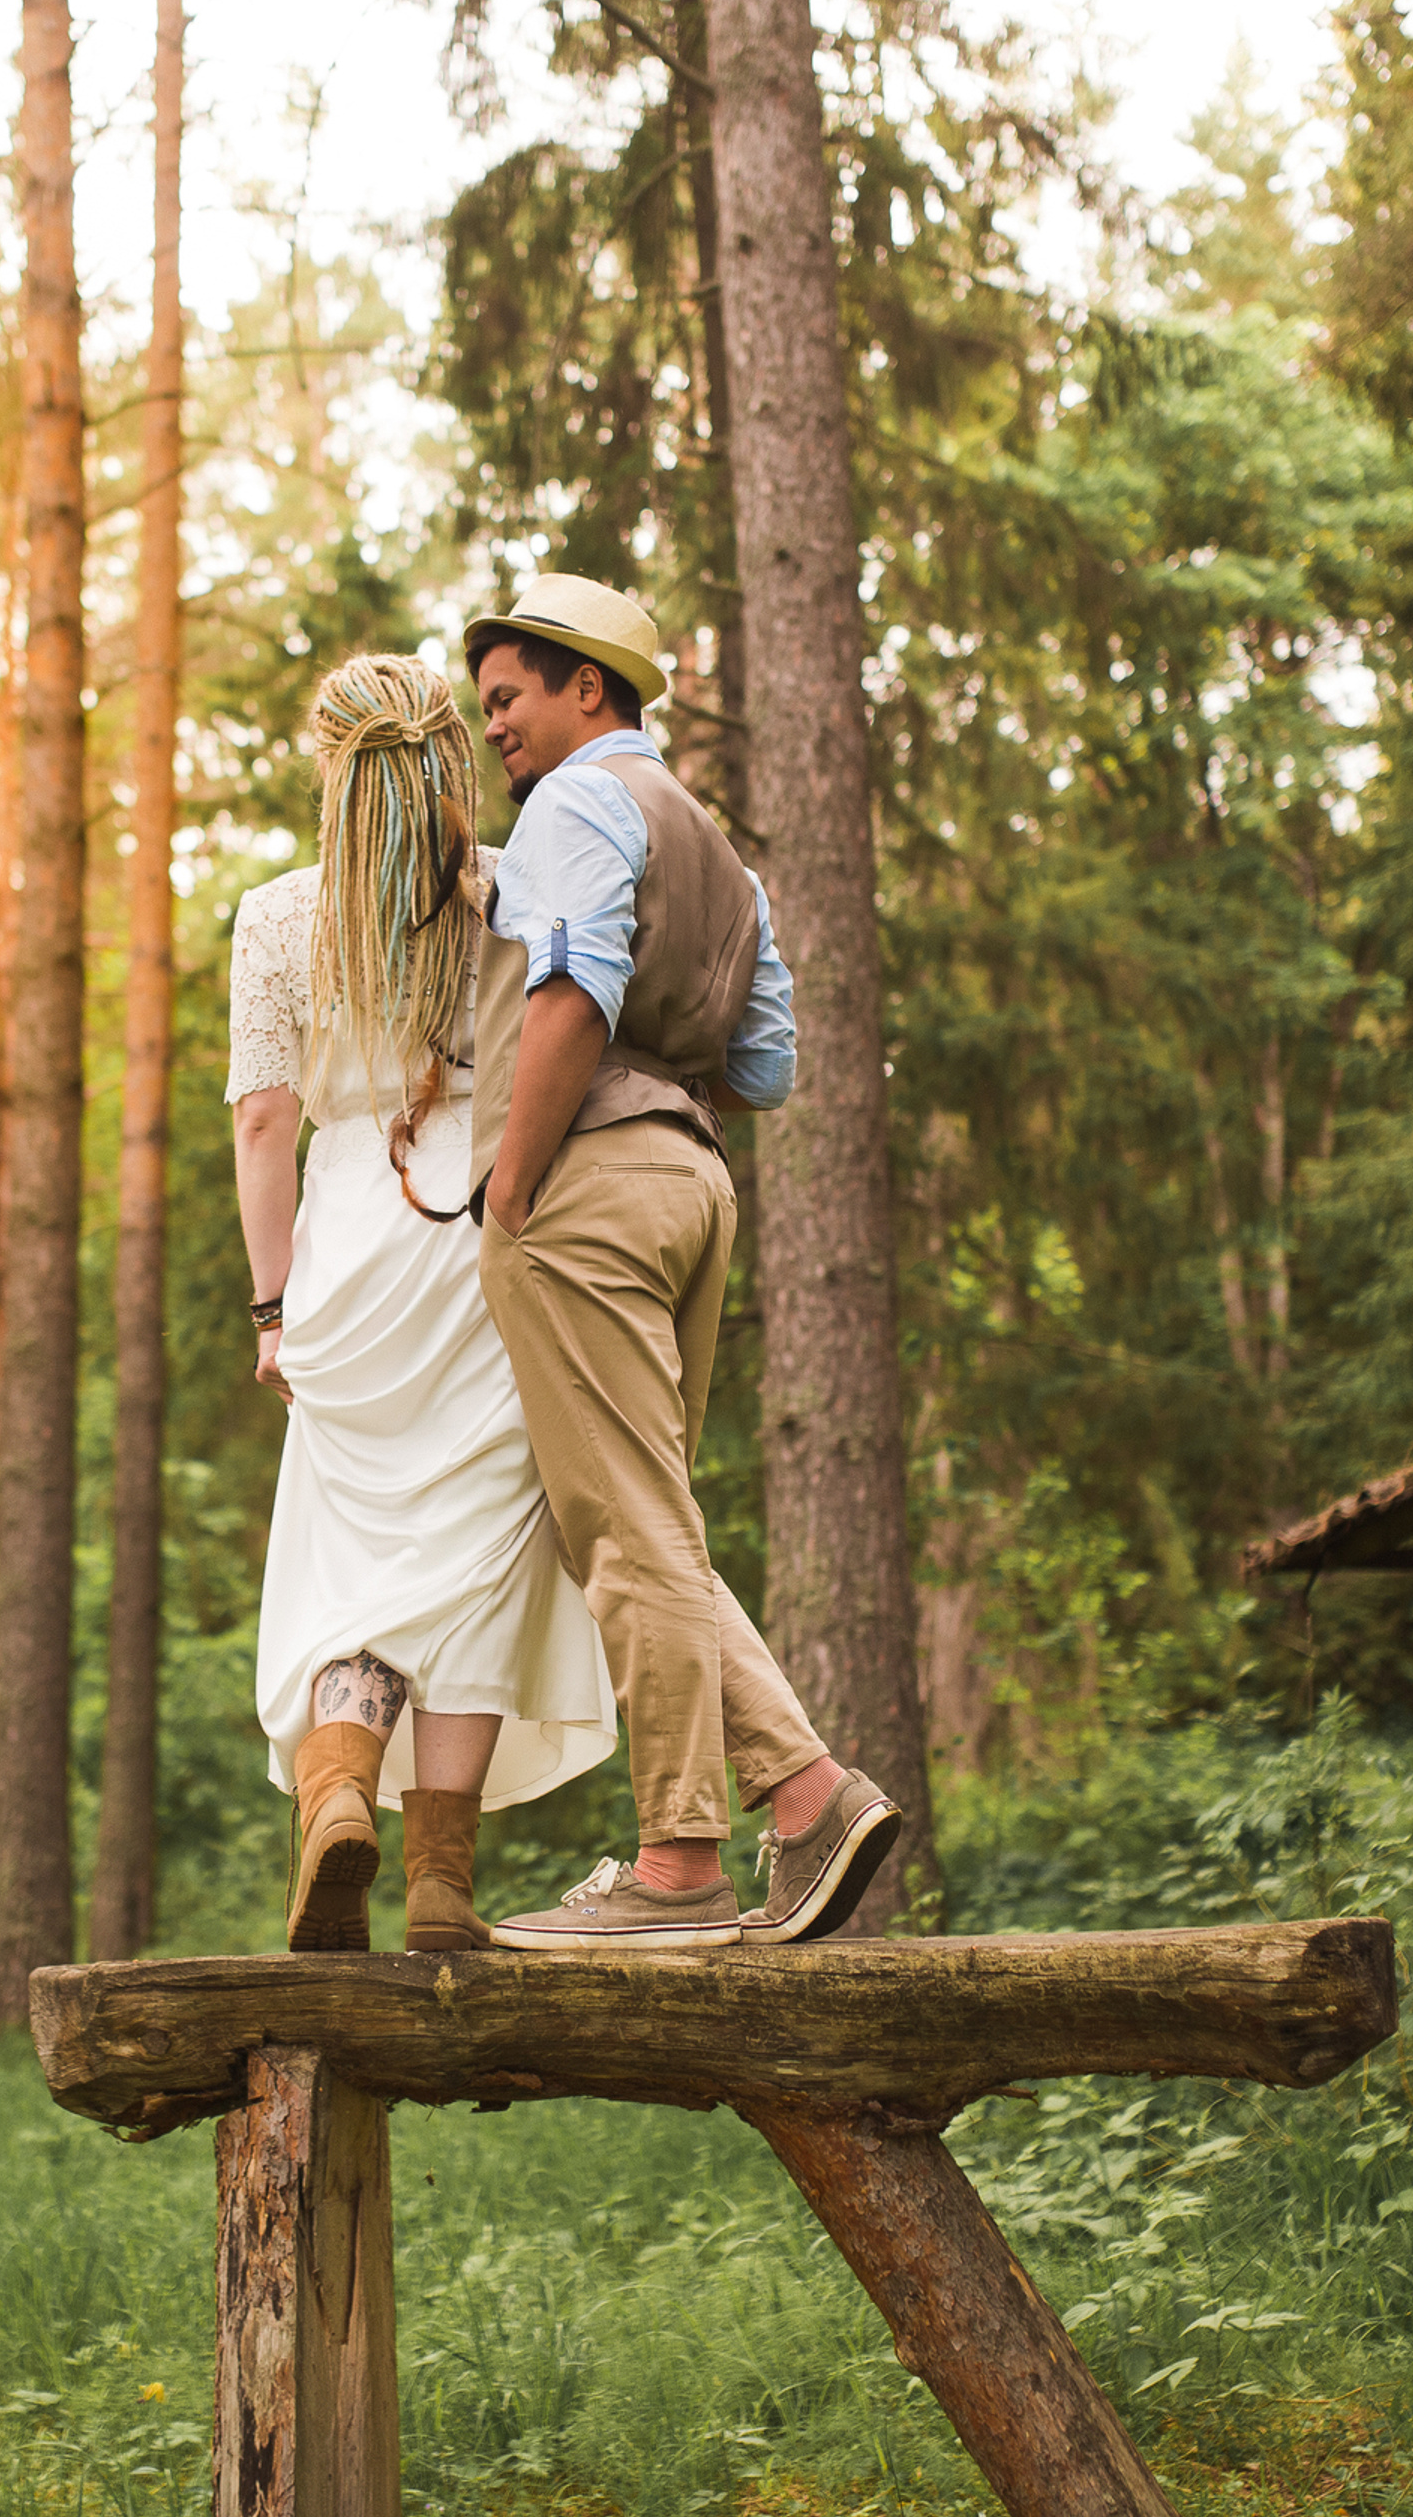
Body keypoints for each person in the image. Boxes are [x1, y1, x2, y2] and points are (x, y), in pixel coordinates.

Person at [462, 574, 906, 1951]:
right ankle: (809, 1793)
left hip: (583, 1183)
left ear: (587, 686)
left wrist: (516, 1183)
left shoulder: (576, 806)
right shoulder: (717, 847)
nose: (495, 732)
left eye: (509, 700)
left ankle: (676, 1862)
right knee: (646, 1513)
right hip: (693, 1186)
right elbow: (764, 1064)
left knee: (623, 1526)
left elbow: (571, 989)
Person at [228, 651, 618, 1955]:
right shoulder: (505, 893)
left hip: (348, 1238)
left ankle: (340, 1789)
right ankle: (442, 1879)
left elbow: (266, 1124)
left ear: (332, 769)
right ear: (449, 758)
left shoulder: (278, 918)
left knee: (355, 1561)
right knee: (477, 1560)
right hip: (483, 1229)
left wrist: (273, 1307)